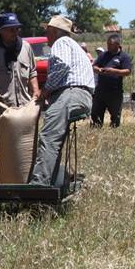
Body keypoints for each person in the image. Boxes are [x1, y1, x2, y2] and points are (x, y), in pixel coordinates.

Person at [29, 15, 94, 186]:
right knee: (54, 140)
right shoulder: (74, 45)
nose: (46, 34)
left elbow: (62, 65)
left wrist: (45, 91)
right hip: (81, 95)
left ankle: (38, 186)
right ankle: (51, 182)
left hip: (70, 93)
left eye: (47, 30)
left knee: (49, 137)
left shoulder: (61, 42)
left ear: (55, 31)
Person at [91, 33, 132, 127]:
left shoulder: (124, 56)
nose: (108, 46)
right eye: (108, 44)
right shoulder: (104, 55)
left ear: (117, 45)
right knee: (95, 115)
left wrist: (113, 71)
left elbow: (127, 71)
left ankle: (114, 132)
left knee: (115, 117)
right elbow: (94, 66)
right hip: (100, 90)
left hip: (115, 92)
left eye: (110, 44)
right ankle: (95, 131)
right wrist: (98, 70)